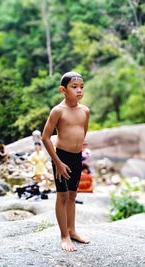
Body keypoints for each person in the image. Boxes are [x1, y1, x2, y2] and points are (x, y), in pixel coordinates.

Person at [42, 71, 90, 252]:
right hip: (61, 157)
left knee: (73, 195)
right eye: (74, 87)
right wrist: (58, 163)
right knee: (62, 196)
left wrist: (78, 149)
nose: (79, 91)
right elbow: (45, 138)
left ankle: (72, 230)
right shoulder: (58, 111)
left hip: (77, 157)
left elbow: (83, 132)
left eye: (82, 87)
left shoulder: (85, 110)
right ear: (63, 89)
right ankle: (64, 235)